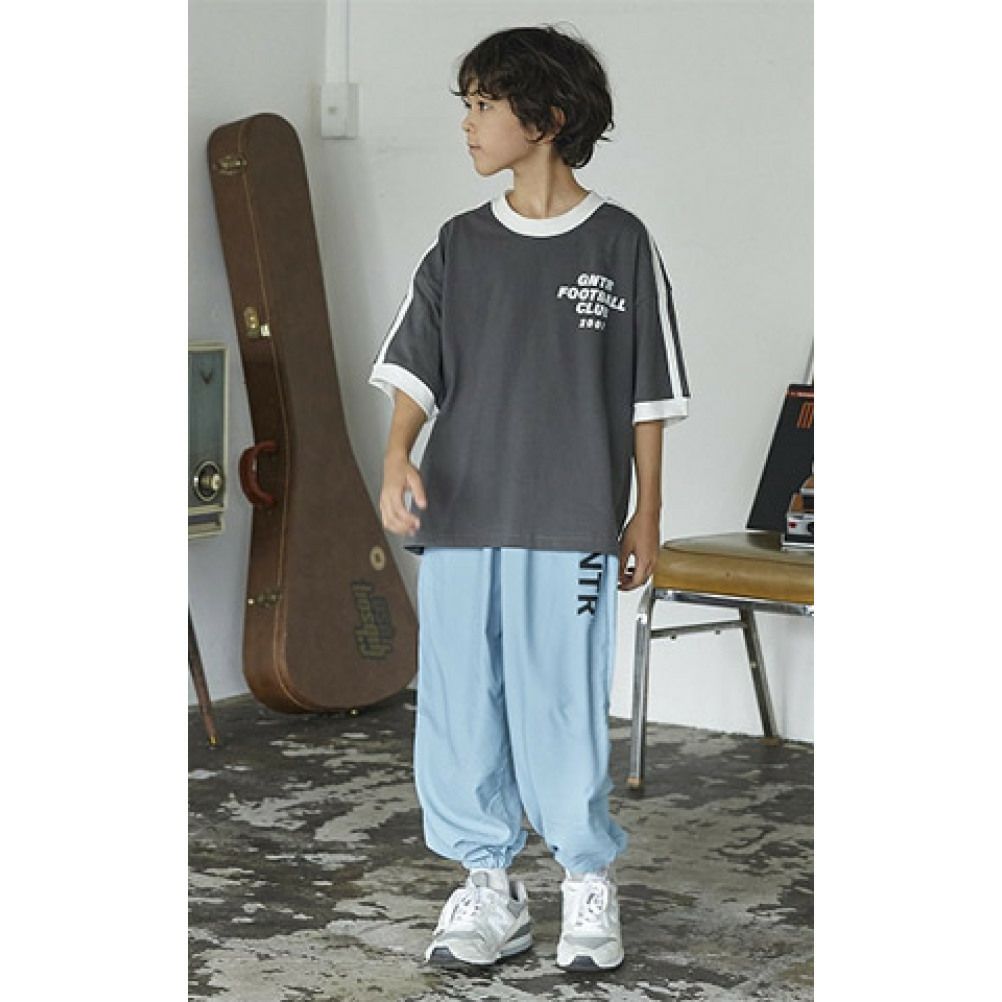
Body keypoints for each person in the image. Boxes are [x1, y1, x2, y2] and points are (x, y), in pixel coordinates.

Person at [368, 24, 690, 972]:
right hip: (462, 516)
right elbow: (416, 369)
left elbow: (647, 396)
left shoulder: (621, 242)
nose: (467, 123)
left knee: (560, 702)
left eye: (483, 105)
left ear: (545, 119)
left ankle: (586, 879)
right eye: (466, 104)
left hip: (571, 519)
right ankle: (488, 887)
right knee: (460, 702)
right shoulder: (459, 245)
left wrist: (646, 513)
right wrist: (396, 455)